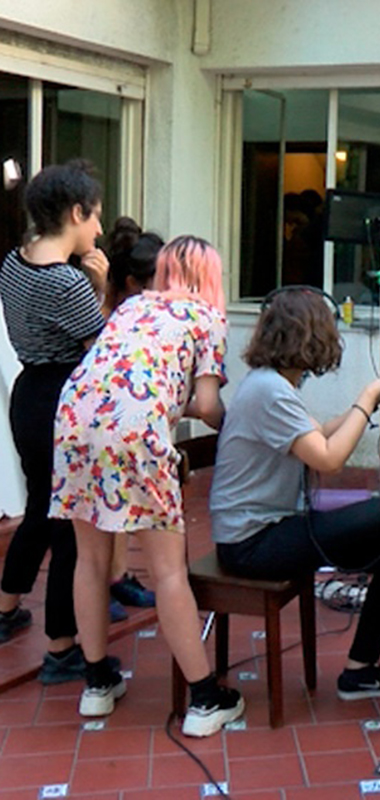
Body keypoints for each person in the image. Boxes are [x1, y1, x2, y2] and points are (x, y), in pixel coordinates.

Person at [51, 235, 243, 736]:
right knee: (168, 571)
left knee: (91, 560)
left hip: (74, 422)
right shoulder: (207, 318)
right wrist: (234, 423)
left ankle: (97, 685)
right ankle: (205, 699)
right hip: (135, 432)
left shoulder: (132, 306)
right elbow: (207, 405)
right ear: (211, 278)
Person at [208, 286, 380, 700]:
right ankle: (359, 670)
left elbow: (315, 434)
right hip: (251, 544)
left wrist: (370, 406)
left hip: (261, 532)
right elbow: (328, 459)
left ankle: (360, 671)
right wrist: (368, 395)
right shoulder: (270, 391)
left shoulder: (270, 384)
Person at [0, 160, 108, 685]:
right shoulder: (67, 282)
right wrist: (99, 287)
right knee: (69, 527)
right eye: (96, 217)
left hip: (29, 396)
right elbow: (101, 353)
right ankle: (62, 648)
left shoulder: (13, 261)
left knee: (42, 509)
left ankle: (5, 608)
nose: (99, 230)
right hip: (65, 401)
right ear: (76, 212)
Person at [99, 217, 164, 622]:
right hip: (98, 423)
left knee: (121, 502)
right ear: (132, 284)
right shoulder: (106, 317)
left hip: (128, 421)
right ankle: (99, 582)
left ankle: (118, 575)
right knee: (100, 510)